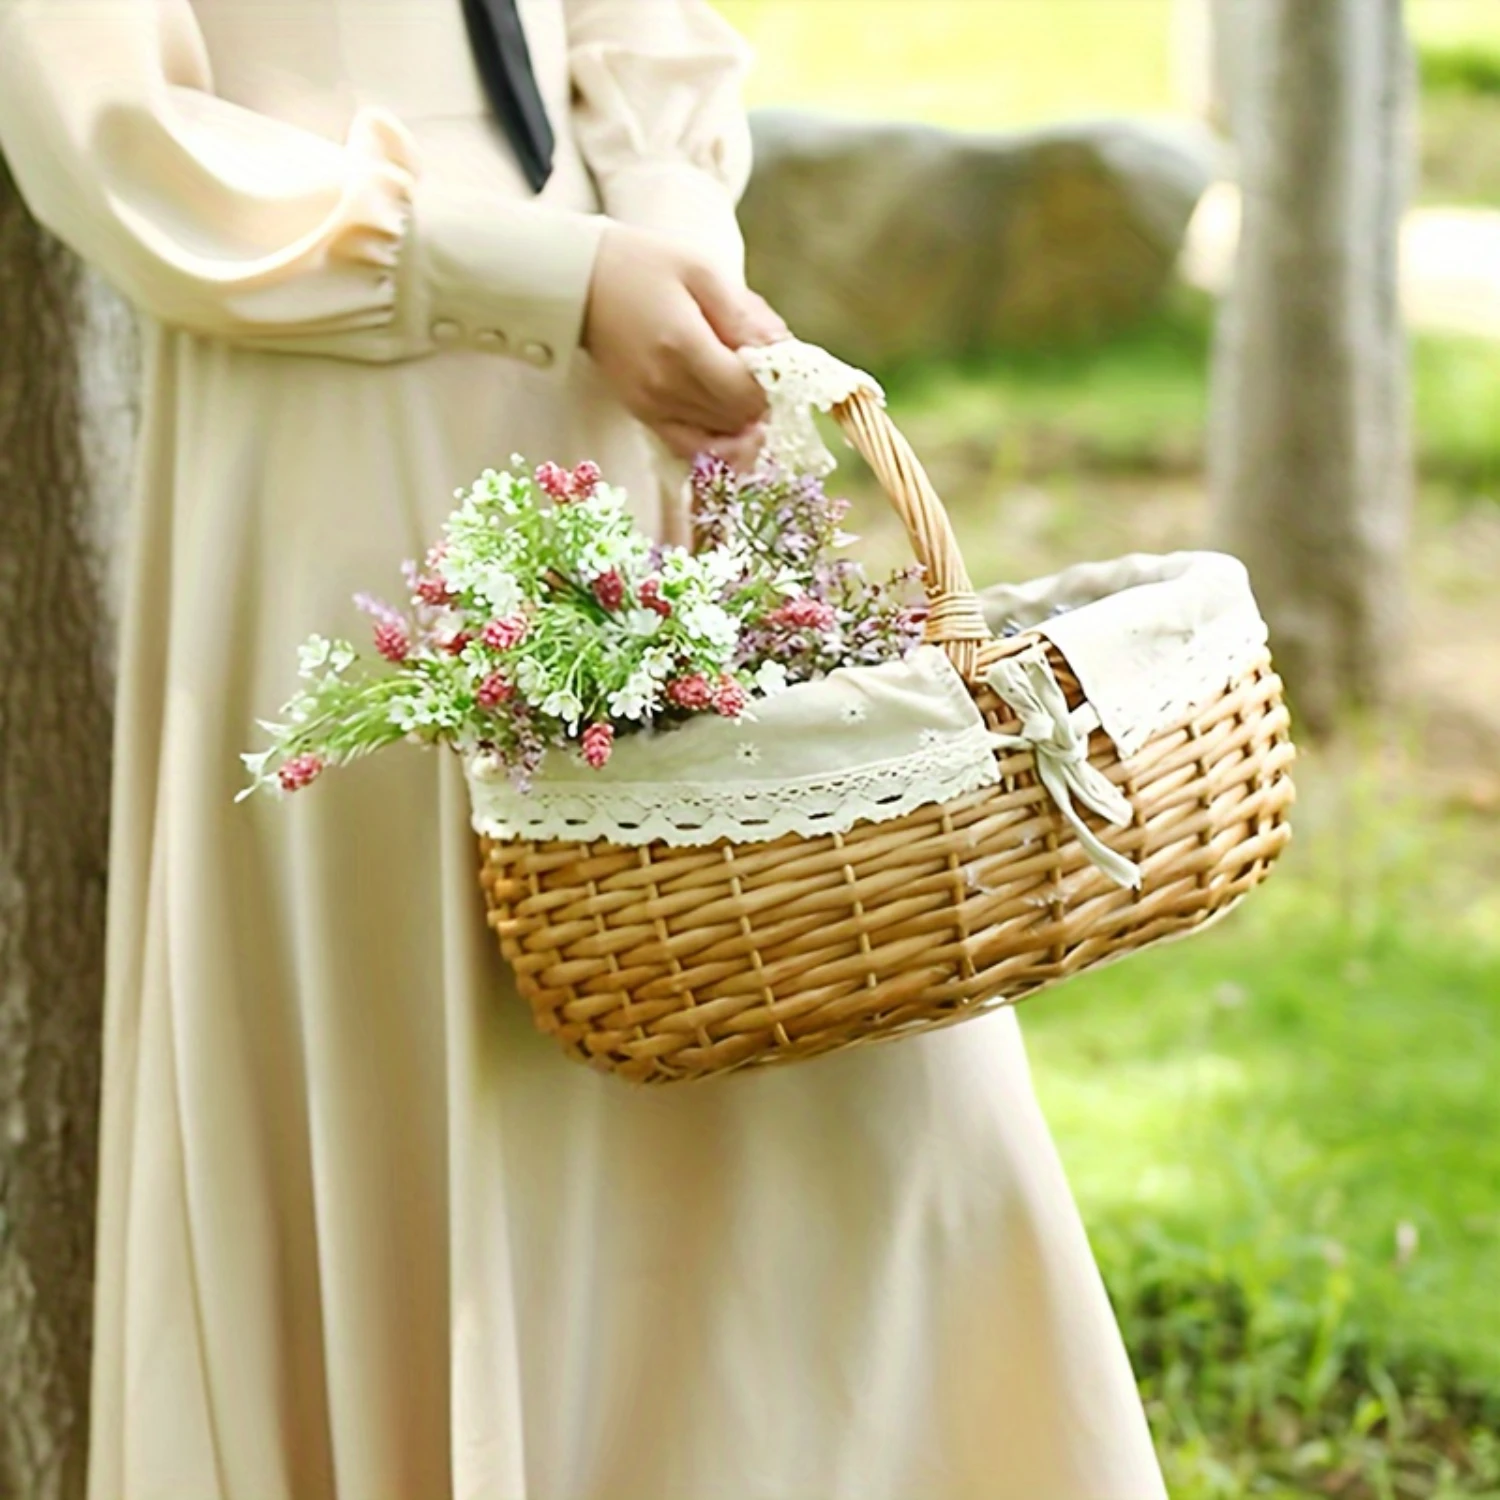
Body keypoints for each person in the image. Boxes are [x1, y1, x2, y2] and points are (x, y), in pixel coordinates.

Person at [0, 2, 1168, 1496]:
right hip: (339, 432)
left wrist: (673, 227)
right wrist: (545, 274)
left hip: (631, 395)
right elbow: (114, 137)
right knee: (427, 1054)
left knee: (813, 1048)